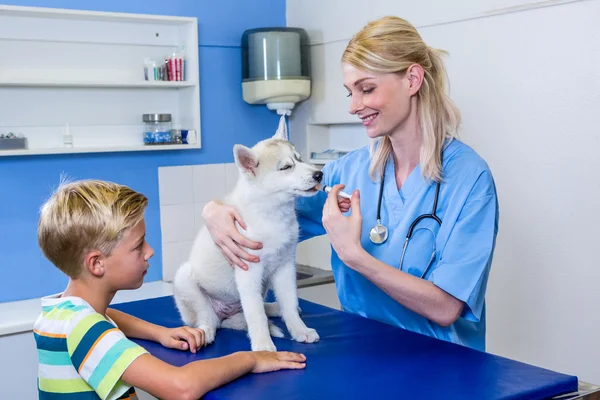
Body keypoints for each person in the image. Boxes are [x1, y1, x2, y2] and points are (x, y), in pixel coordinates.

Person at [202, 16, 498, 352]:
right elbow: (263, 205)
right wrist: (214, 211)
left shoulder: (469, 179)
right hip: (362, 353)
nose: (354, 106)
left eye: (367, 89)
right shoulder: (350, 172)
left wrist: (353, 254)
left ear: (413, 79)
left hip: (444, 363)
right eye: (350, 92)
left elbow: (446, 308)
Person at [34, 179, 306, 400]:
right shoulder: (87, 330)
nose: (149, 252)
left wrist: (159, 333)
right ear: (97, 264)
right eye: (138, 245)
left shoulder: (62, 313)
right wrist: (251, 360)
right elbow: (180, 388)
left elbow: (105, 316)